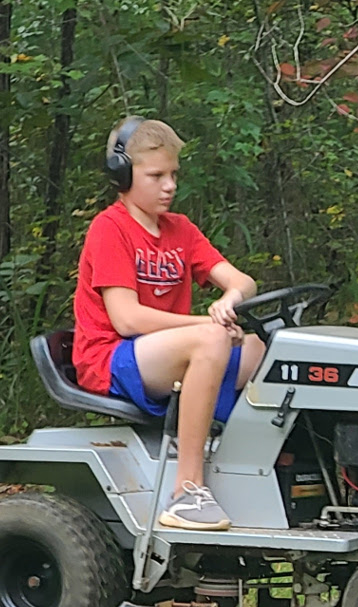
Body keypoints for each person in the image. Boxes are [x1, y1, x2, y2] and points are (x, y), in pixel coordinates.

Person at [72, 116, 265, 531]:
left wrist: (229, 302)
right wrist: (208, 323)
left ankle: (262, 462)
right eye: (156, 175)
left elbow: (241, 281)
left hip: (166, 351)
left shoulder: (181, 231)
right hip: (111, 358)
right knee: (212, 341)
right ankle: (187, 491)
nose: (169, 185)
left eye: (174, 174)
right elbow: (126, 319)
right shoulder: (110, 229)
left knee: (261, 349)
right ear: (122, 175)